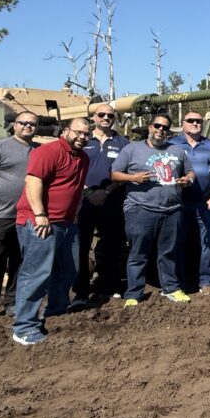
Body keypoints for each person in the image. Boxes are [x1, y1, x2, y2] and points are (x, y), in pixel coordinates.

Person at [10, 118, 91, 345]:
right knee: (36, 273)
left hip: (67, 223)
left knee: (68, 270)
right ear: (65, 131)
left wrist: (75, 212)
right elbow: (33, 182)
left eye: (86, 134)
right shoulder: (48, 152)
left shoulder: (83, 158)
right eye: (78, 132)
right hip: (41, 222)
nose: (82, 137)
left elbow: (76, 188)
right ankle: (24, 327)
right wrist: (40, 214)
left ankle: (56, 310)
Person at [112, 113, 195, 306]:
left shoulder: (177, 150)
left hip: (172, 210)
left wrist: (188, 180)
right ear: (150, 127)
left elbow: (190, 171)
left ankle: (171, 288)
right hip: (141, 209)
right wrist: (133, 178)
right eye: (157, 126)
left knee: (169, 252)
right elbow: (114, 174)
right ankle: (134, 294)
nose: (161, 130)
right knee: (138, 253)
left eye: (165, 128)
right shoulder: (131, 149)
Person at [0, 111, 39, 324]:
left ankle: (12, 301)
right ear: (14, 125)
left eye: (32, 124)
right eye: (24, 123)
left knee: (19, 260)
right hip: (0, 214)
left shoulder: (38, 150)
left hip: (25, 216)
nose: (28, 126)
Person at [73, 103, 128, 304]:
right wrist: (88, 191)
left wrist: (106, 191)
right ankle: (80, 291)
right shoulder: (83, 139)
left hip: (112, 201)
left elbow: (127, 171)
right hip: (83, 202)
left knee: (111, 246)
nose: (106, 118)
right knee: (81, 247)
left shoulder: (123, 142)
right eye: (101, 114)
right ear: (94, 117)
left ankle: (109, 287)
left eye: (110, 115)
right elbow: (72, 169)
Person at [169, 111, 210, 293]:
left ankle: (206, 280)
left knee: (206, 243)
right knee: (178, 243)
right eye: (191, 120)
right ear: (183, 123)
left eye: (199, 121)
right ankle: (179, 281)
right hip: (179, 202)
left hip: (204, 203)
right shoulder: (173, 144)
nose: (195, 123)